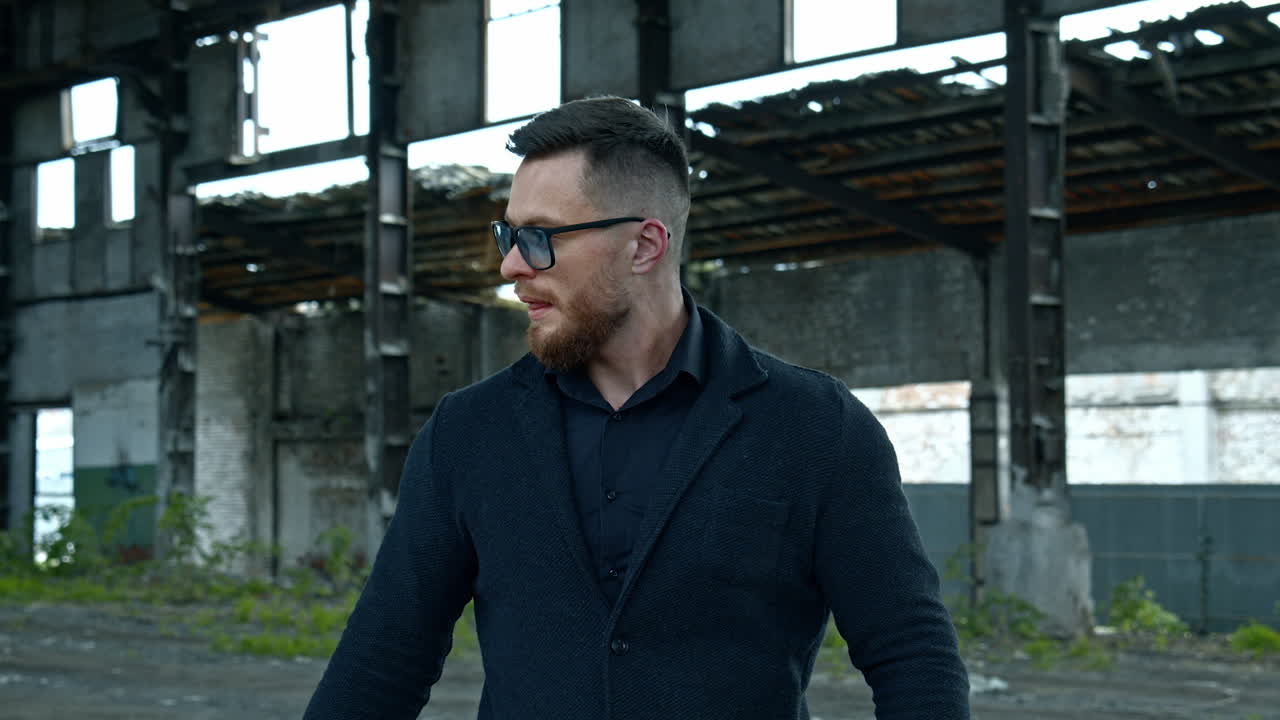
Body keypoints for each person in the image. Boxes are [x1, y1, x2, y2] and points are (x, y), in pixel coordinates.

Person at [303, 96, 969, 719]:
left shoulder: (815, 426)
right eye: (506, 235)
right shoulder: (469, 432)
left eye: (539, 238)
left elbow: (911, 656)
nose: (509, 266)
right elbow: (382, 661)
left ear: (645, 246)